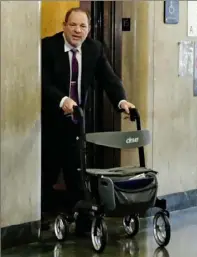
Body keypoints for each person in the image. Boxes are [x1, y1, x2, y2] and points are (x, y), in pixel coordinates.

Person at [41, 7, 135, 232]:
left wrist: (122, 101)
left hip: (78, 122)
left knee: (77, 170)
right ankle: (42, 216)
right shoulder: (49, 46)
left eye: (83, 26)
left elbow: (109, 78)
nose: (77, 30)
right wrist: (61, 98)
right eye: (73, 25)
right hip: (51, 121)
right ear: (64, 26)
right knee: (48, 171)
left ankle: (83, 222)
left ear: (89, 29)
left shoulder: (94, 49)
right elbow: (42, 82)